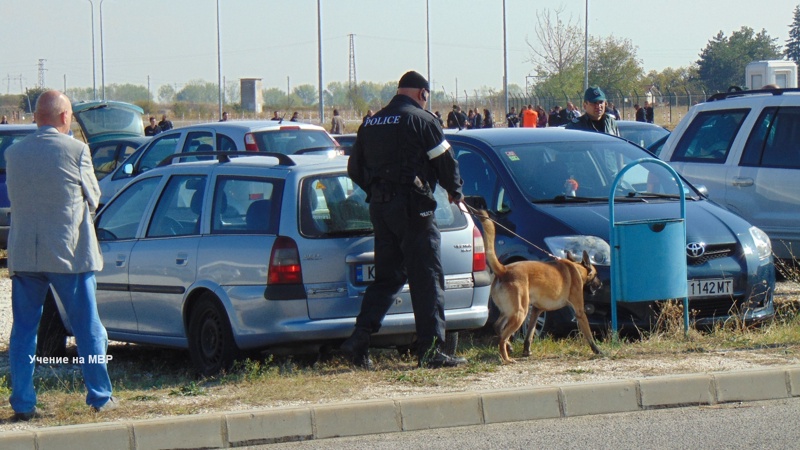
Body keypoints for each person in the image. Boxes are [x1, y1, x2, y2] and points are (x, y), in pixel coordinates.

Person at [342, 70, 466, 369]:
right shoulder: (423, 120)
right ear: (423, 94)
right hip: (413, 210)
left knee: (388, 277)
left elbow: (354, 169)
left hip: (381, 209)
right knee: (427, 277)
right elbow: (445, 161)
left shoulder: (370, 123)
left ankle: (359, 340)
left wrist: (378, 190)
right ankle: (431, 349)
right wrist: (455, 190)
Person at [5, 90, 117, 421]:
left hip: (25, 253)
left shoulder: (14, 154)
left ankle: (23, 402)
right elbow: (93, 197)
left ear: (37, 117)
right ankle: (100, 395)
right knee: (88, 327)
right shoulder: (77, 150)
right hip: (69, 253)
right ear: (65, 117)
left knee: (24, 330)